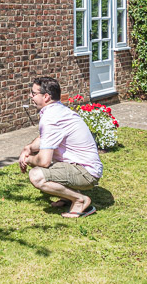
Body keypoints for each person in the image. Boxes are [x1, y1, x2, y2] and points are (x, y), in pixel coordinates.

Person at [18, 77, 103, 218]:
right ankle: (67, 197)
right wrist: (28, 148)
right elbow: (45, 139)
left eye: (33, 93)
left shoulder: (51, 117)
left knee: (37, 175)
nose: (30, 96)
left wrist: (27, 159)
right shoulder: (57, 111)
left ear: (45, 96)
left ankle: (79, 200)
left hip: (86, 173)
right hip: (82, 166)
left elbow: (44, 160)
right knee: (49, 165)